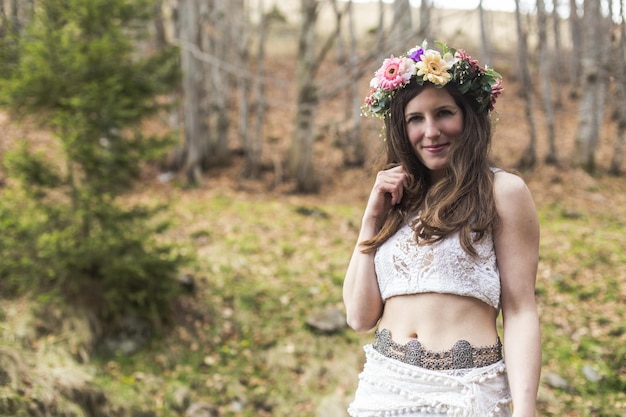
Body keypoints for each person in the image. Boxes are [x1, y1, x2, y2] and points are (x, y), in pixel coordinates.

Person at [343, 40, 541, 417]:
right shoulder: (396, 198)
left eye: (444, 113)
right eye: (415, 118)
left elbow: (520, 311)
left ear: (468, 116)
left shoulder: (503, 192)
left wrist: (525, 409)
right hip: (383, 390)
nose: (430, 131)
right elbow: (358, 317)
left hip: (466, 392)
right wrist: (371, 221)